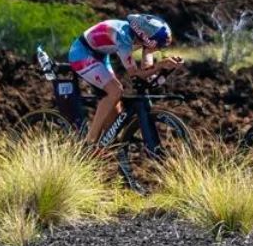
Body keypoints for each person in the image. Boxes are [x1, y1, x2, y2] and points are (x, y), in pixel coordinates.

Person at [67, 13, 174, 148]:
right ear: (147, 39)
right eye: (158, 46)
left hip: (100, 55)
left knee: (115, 112)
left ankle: (102, 150)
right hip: (81, 54)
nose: (158, 49)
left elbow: (147, 68)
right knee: (115, 91)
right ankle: (89, 141)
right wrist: (159, 66)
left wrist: (164, 68)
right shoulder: (123, 38)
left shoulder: (142, 38)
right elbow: (135, 74)